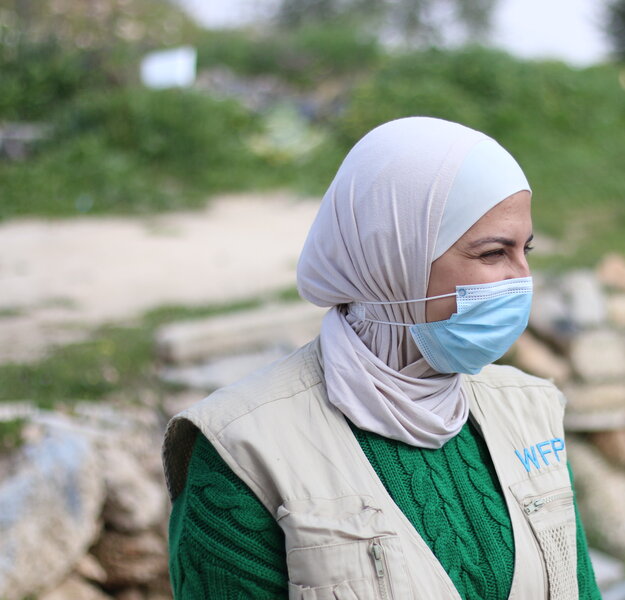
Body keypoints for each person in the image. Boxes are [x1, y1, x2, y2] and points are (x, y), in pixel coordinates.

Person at [163, 116, 602, 599]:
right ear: (394, 258)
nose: (522, 279)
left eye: (526, 250)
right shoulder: (241, 451)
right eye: (494, 253)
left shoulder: (530, 409)